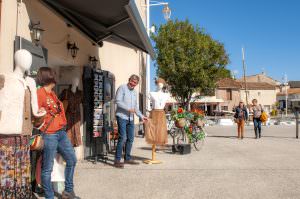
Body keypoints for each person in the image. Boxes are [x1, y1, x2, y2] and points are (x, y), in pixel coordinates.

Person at [0, 49, 45, 198]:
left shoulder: (30, 82)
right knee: (6, 171)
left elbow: (35, 112)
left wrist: (41, 115)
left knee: (21, 171)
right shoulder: (4, 79)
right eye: (25, 57)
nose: (28, 61)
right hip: (6, 135)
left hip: (24, 135)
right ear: (16, 59)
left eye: (29, 58)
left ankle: (20, 195)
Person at [36, 67, 80, 199]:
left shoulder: (52, 93)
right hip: (49, 134)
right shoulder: (40, 93)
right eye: (53, 74)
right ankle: (49, 196)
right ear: (48, 76)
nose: (56, 76)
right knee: (47, 168)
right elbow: (35, 114)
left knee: (72, 159)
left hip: (61, 133)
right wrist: (40, 117)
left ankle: (68, 191)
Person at [114, 74, 148, 168]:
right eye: (132, 81)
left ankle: (127, 158)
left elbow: (136, 107)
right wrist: (128, 109)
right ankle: (117, 160)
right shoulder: (122, 88)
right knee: (123, 138)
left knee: (131, 138)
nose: (133, 84)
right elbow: (118, 101)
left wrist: (142, 116)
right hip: (121, 116)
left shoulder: (134, 92)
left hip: (131, 118)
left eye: (135, 83)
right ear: (129, 80)